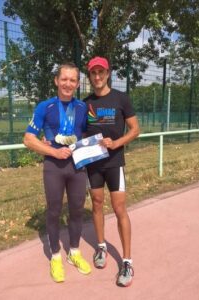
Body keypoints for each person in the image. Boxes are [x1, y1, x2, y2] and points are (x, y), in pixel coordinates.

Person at [24, 62, 91, 283]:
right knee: (53, 211)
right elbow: (28, 139)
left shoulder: (82, 107)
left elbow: (89, 133)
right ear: (56, 80)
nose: (68, 84)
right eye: (64, 79)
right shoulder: (45, 106)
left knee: (77, 210)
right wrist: (51, 151)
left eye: (73, 80)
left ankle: (74, 252)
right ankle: (55, 257)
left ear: (78, 83)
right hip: (53, 167)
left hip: (77, 167)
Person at [84, 56, 140, 287]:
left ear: (108, 74)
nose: (97, 77)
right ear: (89, 77)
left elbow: (135, 129)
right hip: (93, 165)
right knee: (97, 204)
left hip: (115, 163)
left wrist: (117, 143)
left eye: (101, 72)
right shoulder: (84, 103)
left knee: (119, 209)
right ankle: (101, 247)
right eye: (93, 73)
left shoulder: (121, 98)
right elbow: (77, 132)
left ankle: (127, 261)